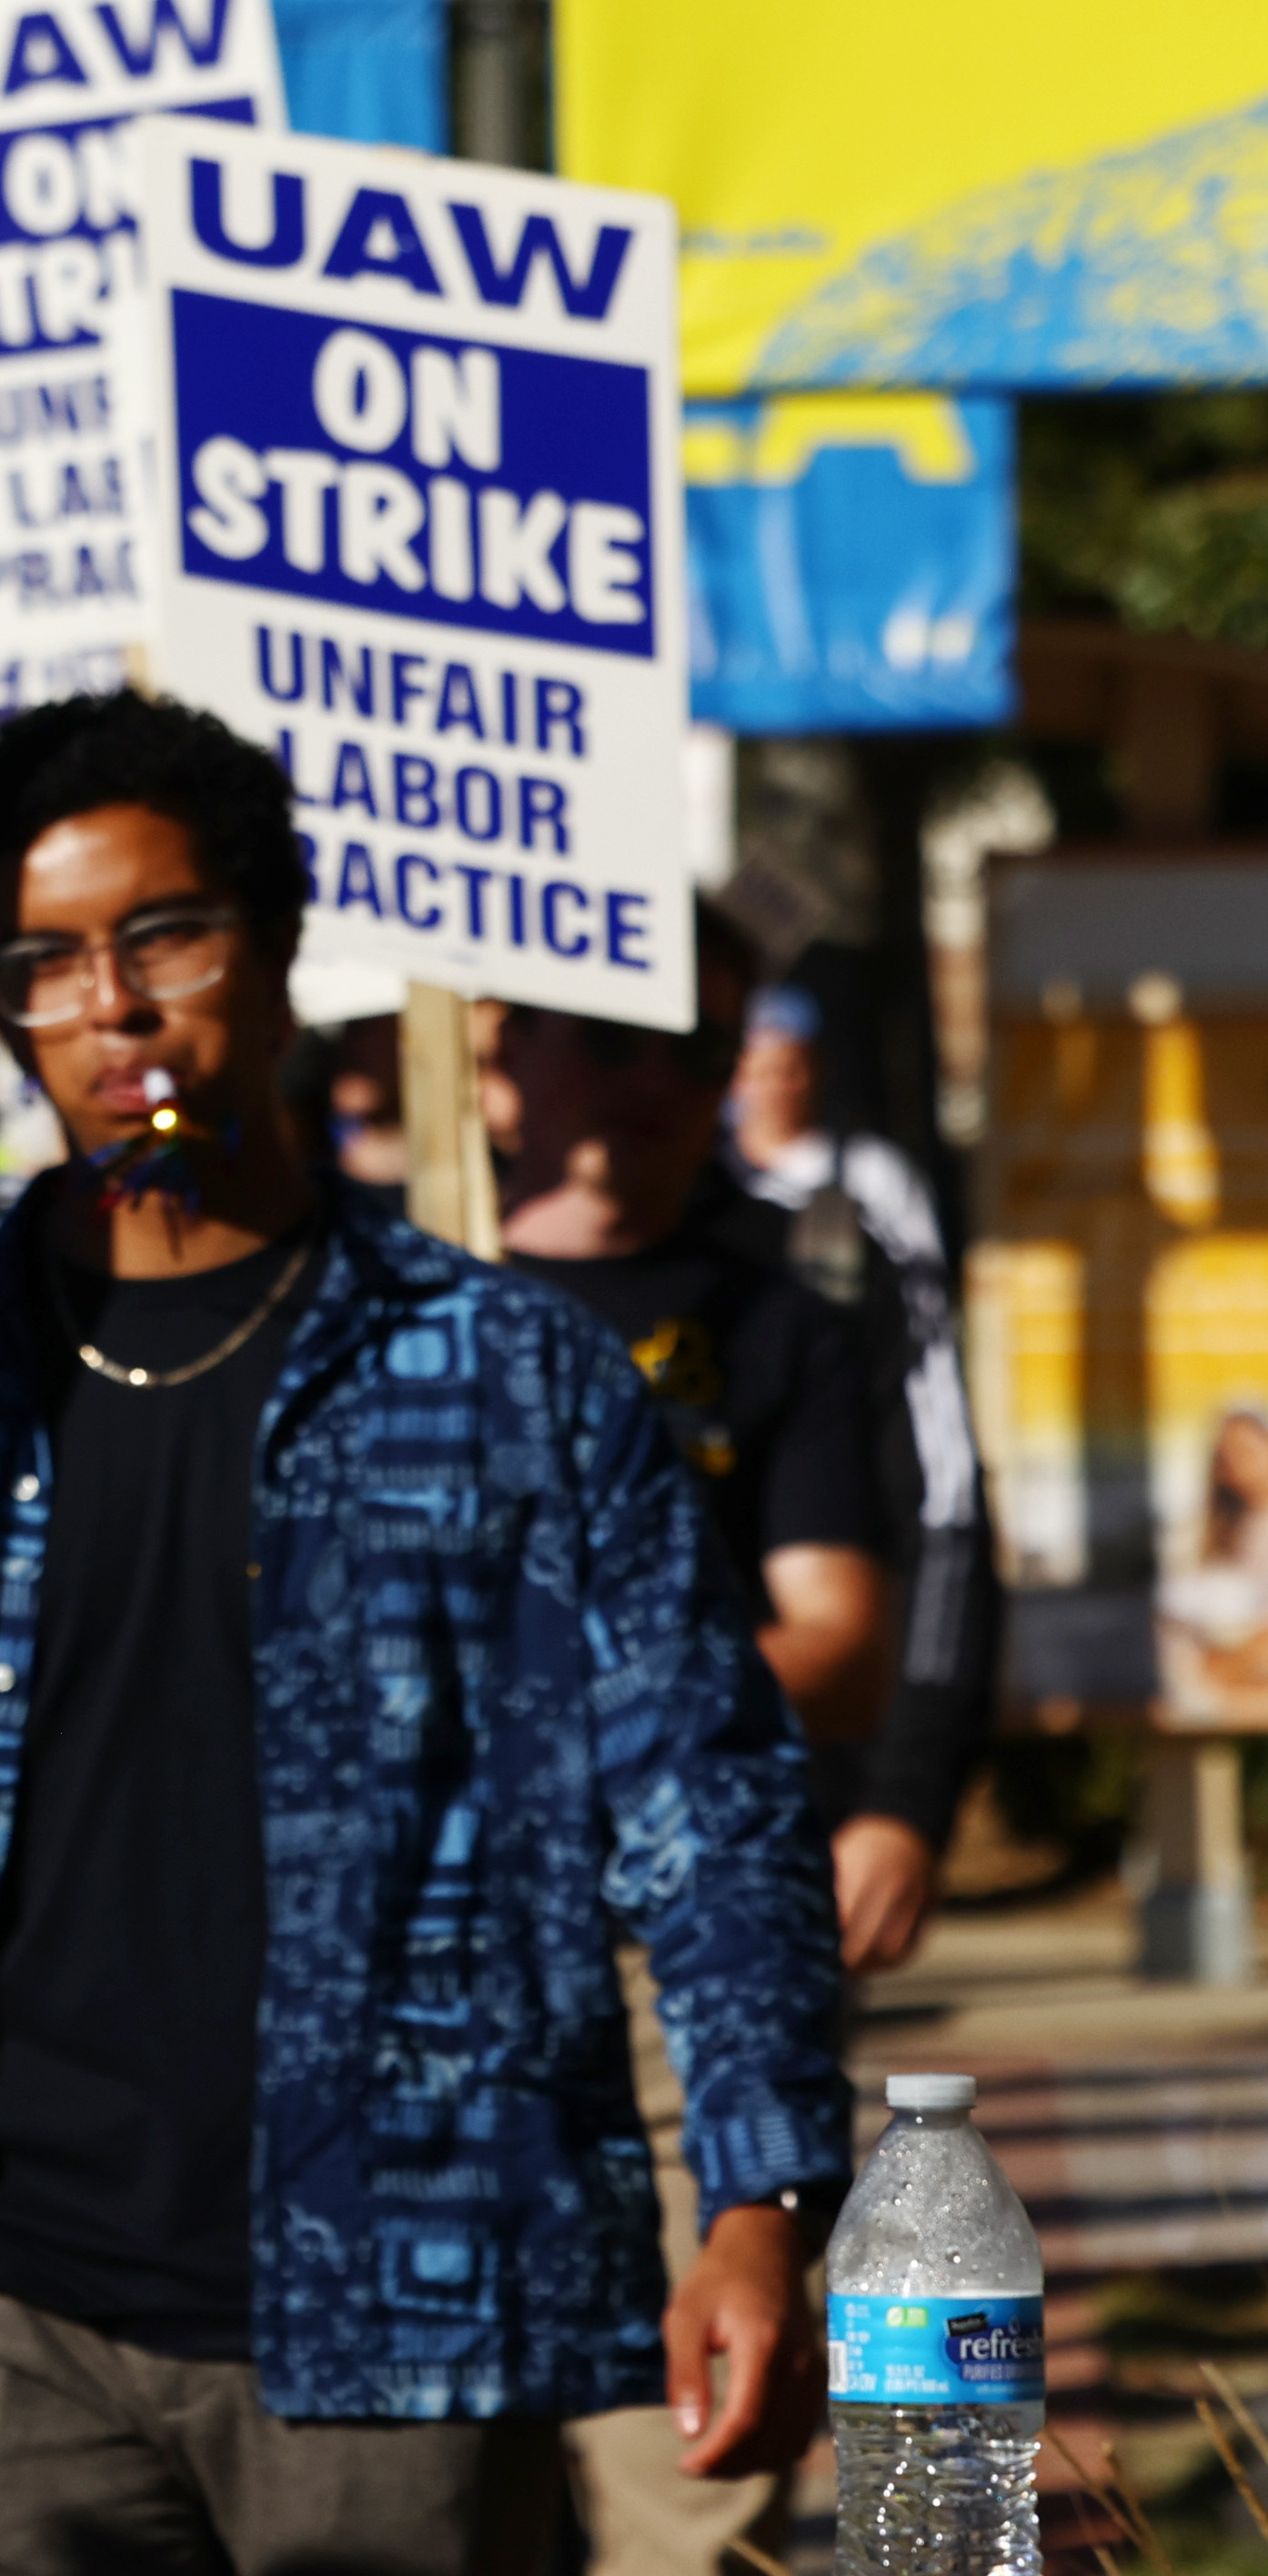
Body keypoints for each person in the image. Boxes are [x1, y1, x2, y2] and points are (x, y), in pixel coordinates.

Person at [0, 691, 849, 2576]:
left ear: (281, 948)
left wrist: (768, 2196)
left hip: (405, 2294)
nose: (116, 1008)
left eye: (168, 936)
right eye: (44, 964)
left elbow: (711, 1805)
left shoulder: (506, 1370)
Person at [478, 930, 893, 2576]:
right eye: (612, 1036)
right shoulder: (372, 1301)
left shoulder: (781, 1313)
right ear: (502, 1049)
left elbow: (845, 1635)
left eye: (694, 1051)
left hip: (671, 1968)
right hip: (419, 1973)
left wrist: (599, 1732)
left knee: (686, 2502)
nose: (652, 1083)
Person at [725, 976, 1001, 1970]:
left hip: (789, 1805)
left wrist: (905, 1791)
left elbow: (943, 1497)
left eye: (774, 1062)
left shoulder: (853, 1222)